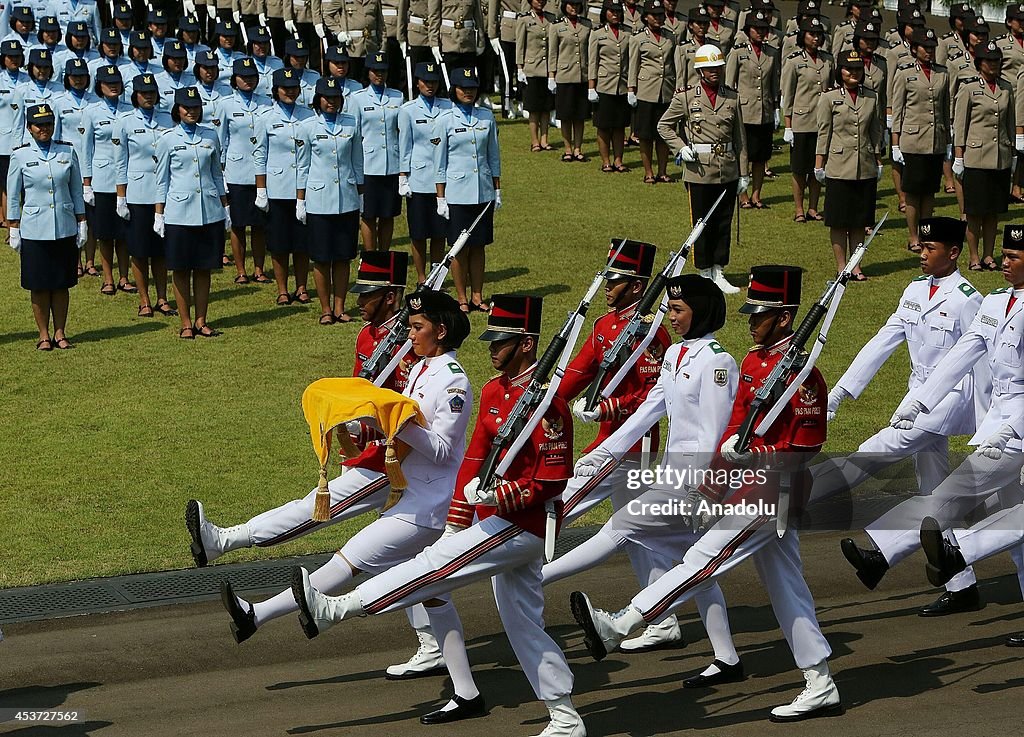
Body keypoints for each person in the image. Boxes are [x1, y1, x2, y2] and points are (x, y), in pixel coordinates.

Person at [291, 294, 589, 737]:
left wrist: (503, 495)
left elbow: (553, 480)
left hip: (522, 524)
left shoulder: (550, 406)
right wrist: (456, 519)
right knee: (522, 623)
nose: (492, 348)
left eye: (502, 341)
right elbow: (472, 459)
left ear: (527, 344)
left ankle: (338, 608)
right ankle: (566, 718)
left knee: (431, 570)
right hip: (496, 519)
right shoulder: (494, 391)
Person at [570, 264, 842, 724]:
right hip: (745, 487)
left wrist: (757, 450)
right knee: (787, 588)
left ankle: (621, 623)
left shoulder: (802, 372)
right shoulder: (755, 362)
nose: (751, 322)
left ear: (785, 317)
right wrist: (727, 460)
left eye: (761, 314)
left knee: (701, 560)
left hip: (773, 490)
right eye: (751, 313)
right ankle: (821, 683)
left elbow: (810, 442)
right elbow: (734, 423)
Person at [219, 292, 486, 724]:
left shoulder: (452, 380)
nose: (409, 335)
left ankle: (260, 615)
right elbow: (404, 433)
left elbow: (441, 449)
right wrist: (373, 423)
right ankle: (468, 693)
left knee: (346, 562)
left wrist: (393, 419)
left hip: (428, 506)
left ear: (440, 329)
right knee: (435, 598)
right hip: (412, 497)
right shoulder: (420, 368)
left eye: (417, 328)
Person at [549, 273, 744, 684]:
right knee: (696, 566)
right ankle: (727, 659)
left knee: (619, 528)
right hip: (674, 477)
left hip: (692, 483)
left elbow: (714, 431)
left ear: (700, 312)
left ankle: (539, 581)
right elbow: (648, 411)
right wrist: (605, 451)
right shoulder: (676, 357)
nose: (669, 318)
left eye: (677, 310)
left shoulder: (718, 362)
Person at [841, 224, 1024, 611]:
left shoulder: (973, 298)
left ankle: (892, 555)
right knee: (1005, 519)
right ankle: (903, 561)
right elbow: (960, 357)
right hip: (1002, 431)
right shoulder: (994, 303)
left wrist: (1012, 426)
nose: (1002, 262)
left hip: (1014, 431)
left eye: (1013, 257)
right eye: (1004, 255)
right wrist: (919, 401)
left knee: (954, 498)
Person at [546, 240, 682, 652]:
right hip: (610, 440)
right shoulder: (606, 326)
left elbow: (653, 396)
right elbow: (579, 370)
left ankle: (527, 587)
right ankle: (664, 619)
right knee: (640, 534)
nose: (609, 286)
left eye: (617, 280)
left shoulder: (650, 334)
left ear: (638, 286)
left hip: (631, 444)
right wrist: (545, 401)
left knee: (556, 506)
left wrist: (608, 408)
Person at [658, 43, 746, 294]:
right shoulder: (686, 97)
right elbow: (664, 125)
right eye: (709, 68)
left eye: (717, 66)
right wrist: (680, 147)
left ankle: (718, 269)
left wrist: (744, 172)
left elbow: (740, 138)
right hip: (699, 171)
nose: (714, 71)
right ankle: (704, 269)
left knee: (723, 222)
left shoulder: (731, 96)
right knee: (701, 221)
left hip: (727, 169)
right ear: (700, 70)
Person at [6, 103, 87, 351]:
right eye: (39, 125)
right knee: (39, 284)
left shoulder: (66, 151)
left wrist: (82, 221)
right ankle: (43, 334)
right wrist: (14, 227)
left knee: (62, 283)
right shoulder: (20, 155)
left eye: (48, 124)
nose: (44, 129)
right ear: (29, 127)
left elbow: (75, 189)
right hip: (34, 228)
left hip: (63, 226)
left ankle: (60, 332)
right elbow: (12, 195)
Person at [154, 86, 230, 339]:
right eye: (187, 107)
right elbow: (161, 179)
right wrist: (159, 213)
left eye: (196, 107)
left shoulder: (210, 135)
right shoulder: (167, 139)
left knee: (204, 268)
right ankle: (186, 321)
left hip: (209, 210)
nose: (192, 111)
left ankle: (201, 320)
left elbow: (217, 173)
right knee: (181, 269)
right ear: (177, 109)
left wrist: (225, 205)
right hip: (179, 212)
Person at [296, 76, 364, 325]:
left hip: (346, 198)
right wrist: (300, 200)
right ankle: (326, 308)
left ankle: (340, 306)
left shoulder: (351, 123)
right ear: (318, 100)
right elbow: (302, 167)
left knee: (343, 256)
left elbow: (357, 161)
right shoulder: (307, 127)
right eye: (327, 98)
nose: (332, 102)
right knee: (322, 257)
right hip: (319, 199)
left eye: (336, 98)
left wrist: (361, 194)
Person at [435, 66, 500, 313]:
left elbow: (493, 155)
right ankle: (461, 297)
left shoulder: (486, 117)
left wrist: (497, 189)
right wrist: (440, 196)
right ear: (454, 90)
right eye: (463, 88)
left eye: (472, 88)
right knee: (459, 247)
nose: (468, 92)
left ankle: (477, 295)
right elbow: (439, 162)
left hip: (482, 191)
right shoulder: (445, 120)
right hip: (457, 192)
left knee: (479, 245)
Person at [113, 73, 177, 318]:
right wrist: (121, 197)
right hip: (138, 194)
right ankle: (144, 300)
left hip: (165, 193)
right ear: (135, 96)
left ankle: (162, 298)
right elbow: (120, 162)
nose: (148, 96)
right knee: (139, 251)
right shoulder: (125, 121)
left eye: (151, 92)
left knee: (160, 250)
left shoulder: (166, 119)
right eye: (143, 93)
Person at [814, 49, 882, 280]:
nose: (853, 73)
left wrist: (878, 159)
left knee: (859, 220)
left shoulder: (871, 96)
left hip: (864, 166)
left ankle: (856, 265)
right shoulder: (829, 98)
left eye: (857, 69)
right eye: (848, 69)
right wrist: (819, 164)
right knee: (839, 219)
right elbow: (824, 132)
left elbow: (875, 131)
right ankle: (842, 265)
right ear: (839, 71)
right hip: (838, 165)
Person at [254, 67, 314, 306]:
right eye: (285, 88)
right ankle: (282, 289)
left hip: (305, 187)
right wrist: (261, 189)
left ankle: (301, 287)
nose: (290, 92)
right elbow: (260, 155)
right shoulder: (266, 118)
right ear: (275, 91)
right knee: (279, 243)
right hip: (277, 188)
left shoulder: (309, 116)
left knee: (302, 242)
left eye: (293, 88)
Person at [953, 41, 1012, 272]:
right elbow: (961, 125)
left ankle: (989, 255)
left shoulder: (1006, 87)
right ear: (980, 63)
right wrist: (959, 156)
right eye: (989, 61)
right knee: (974, 211)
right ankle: (974, 256)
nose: (994, 65)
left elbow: (1009, 121)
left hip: (1000, 157)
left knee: (993, 211)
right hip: (976, 156)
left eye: (997, 61)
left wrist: (1013, 153)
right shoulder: (969, 88)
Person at [891, 26, 948, 254]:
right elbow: (898, 110)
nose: (929, 52)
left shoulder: (943, 73)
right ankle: (913, 235)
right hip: (913, 140)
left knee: (929, 191)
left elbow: (945, 108)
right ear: (914, 49)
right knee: (913, 192)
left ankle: (927, 234)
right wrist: (895, 143)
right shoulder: (905, 73)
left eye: (932, 48)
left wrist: (949, 140)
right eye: (925, 48)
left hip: (935, 140)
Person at [218, 57, 272, 286]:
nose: (248, 80)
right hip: (237, 171)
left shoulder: (267, 103)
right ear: (234, 79)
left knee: (260, 225)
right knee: (238, 224)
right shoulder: (226, 105)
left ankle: (259, 269)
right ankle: (241, 270)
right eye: (243, 77)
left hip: (262, 172)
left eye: (252, 76)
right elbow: (221, 141)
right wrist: (222, 174)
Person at [82, 64, 133, 297]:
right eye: (108, 83)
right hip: (102, 179)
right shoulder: (92, 111)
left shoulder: (130, 110)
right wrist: (87, 183)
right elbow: (86, 150)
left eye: (116, 82)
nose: (113, 86)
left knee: (124, 232)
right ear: (99, 86)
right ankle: (108, 277)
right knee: (104, 233)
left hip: (128, 180)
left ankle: (124, 277)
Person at [398, 61, 452, 285]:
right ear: (418, 83)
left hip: (444, 178)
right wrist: (403, 176)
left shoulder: (448, 107)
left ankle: (435, 277)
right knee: (419, 233)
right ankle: (421, 277)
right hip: (418, 179)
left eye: (433, 82)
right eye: (425, 82)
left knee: (439, 232)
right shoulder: (408, 110)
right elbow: (405, 145)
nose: (430, 86)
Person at [782, 15, 832, 223]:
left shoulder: (827, 59)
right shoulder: (794, 62)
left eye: (819, 35)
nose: (816, 38)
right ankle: (799, 208)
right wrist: (788, 126)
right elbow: (788, 94)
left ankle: (813, 207)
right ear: (803, 36)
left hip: (823, 122)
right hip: (802, 122)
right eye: (812, 34)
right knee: (800, 169)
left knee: (817, 167)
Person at [727, 10, 779, 209]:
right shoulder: (738, 52)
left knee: (761, 156)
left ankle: (757, 195)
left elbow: (774, 82)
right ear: (748, 30)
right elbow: (730, 84)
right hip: (744, 112)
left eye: (763, 29)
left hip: (763, 111)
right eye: (756, 29)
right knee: (744, 156)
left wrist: (775, 108)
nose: (760, 32)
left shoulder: (772, 52)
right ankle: (743, 195)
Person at [352, 51, 402, 252]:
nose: (379, 75)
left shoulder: (397, 97)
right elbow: (355, 134)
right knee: (368, 214)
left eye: (383, 71)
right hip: (368, 163)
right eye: (375, 71)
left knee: (388, 214)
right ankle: (370, 255)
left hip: (392, 163)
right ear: (368, 72)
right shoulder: (358, 99)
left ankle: (384, 254)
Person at [55, 58, 97, 279]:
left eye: (82, 75)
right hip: (68, 161)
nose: (78, 79)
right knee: (73, 213)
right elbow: (55, 135)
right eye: (74, 76)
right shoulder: (59, 102)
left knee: (91, 213)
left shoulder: (95, 101)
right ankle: (76, 260)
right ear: (67, 78)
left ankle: (91, 260)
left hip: (93, 163)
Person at [628, 1, 675, 185]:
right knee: (646, 135)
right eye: (654, 15)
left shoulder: (670, 37)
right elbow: (634, 65)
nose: (658, 18)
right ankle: (648, 172)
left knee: (664, 134)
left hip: (666, 90)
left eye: (661, 15)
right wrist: (631, 89)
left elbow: (674, 64)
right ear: (646, 17)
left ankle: (662, 171)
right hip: (646, 91)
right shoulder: (638, 39)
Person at [588, 0, 630, 173]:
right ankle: (606, 161)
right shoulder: (597, 34)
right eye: (611, 11)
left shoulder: (628, 32)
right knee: (604, 126)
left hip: (622, 85)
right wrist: (591, 87)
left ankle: (618, 160)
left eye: (618, 11)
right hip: (604, 85)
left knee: (620, 126)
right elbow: (593, 62)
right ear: (605, 12)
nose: (615, 14)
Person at [548, 0, 591, 162]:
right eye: (571, 4)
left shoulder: (587, 25)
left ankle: (578, 148)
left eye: (577, 5)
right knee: (566, 115)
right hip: (564, 75)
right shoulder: (556, 26)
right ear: (564, 6)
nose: (574, 8)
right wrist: (551, 75)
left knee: (580, 115)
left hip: (582, 75)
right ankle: (567, 148)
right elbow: (553, 53)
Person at [517, 0, 556, 152]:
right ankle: (535, 141)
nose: (540, 2)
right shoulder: (524, 20)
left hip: (548, 70)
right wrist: (520, 67)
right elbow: (520, 46)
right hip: (532, 69)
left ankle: (545, 139)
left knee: (546, 107)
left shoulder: (551, 19)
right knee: (534, 108)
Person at [312, 0, 383, 82]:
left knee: (370, 80)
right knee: (352, 80)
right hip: (352, 48)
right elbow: (327, 15)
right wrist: (338, 32)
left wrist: (383, 46)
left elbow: (381, 24)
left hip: (371, 47)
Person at [0, 40, 27, 230]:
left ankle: (24, 219)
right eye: (10, 56)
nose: (14, 59)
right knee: (6, 182)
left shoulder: (28, 79)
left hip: (26, 136)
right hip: (3, 139)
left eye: (17, 56)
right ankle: (9, 221)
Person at [13, 48, 63, 145]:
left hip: (55, 141)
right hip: (30, 142)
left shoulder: (60, 89)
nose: (42, 71)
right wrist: (17, 147)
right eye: (39, 67)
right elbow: (18, 123)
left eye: (46, 67)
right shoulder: (22, 90)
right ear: (31, 67)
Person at [488, 0, 525, 118]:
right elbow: (493, 9)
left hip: (527, 28)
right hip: (508, 29)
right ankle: (507, 104)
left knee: (524, 68)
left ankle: (522, 101)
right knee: (506, 71)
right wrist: (492, 34)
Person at [154, 39, 197, 113]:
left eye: (181, 58)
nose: (178, 62)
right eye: (174, 58)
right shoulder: (157, 80)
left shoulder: (194, 80)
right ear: (166, 59)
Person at [246, 25, 283, 97]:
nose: (263, 46)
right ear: (251, 45)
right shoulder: (245, 63)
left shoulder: (278, 63)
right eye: (259, 43)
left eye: (265, 43)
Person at [282, 38, 321, 107]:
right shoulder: (280, 76)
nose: (300, 60)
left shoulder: (315, 76)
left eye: (303, 56)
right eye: (296, 57)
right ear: (288, 56)